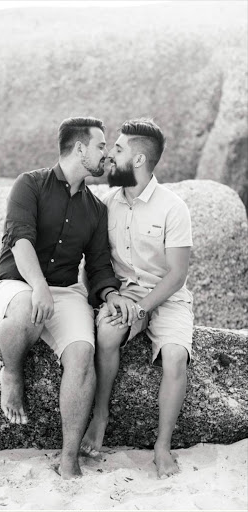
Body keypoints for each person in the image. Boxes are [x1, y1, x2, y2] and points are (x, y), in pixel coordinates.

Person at [0, 117, 135, 480]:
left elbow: (99, 266)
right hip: (18, 282)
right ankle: (12, 374)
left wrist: (111, 293)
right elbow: (20, 240)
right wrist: (37, 285)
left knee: (83, 353)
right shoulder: (30, 184)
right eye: (101, 146)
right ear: (80, 148)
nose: (106, 154)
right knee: (27, 311)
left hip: (66, 292)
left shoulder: (96, 209)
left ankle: (69, 459)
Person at [81, 118, 194, 479]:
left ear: (140, 160)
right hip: (125, 293)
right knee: (109, 334)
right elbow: (94, 265)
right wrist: (116, 299)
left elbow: (177, 275)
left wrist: (143, 308)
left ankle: (162, 447)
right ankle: (100, 417)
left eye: (117, 149)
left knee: (175, 357)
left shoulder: (174, 207)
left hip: (168, 297)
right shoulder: (105, 204)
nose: (110, 155)